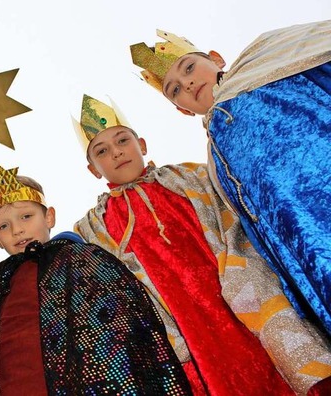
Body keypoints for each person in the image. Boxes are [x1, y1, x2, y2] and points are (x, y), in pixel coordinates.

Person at [73, 94, 331, 395]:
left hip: (235, 292)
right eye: (102, 151)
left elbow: (234, 220)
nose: (116, 153)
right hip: (182, 326)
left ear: (141, 145)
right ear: (93, 169)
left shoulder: (191, 176)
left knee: (279, 364)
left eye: (122, 141)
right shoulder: (93, 226)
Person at [130, 25, 331, 336]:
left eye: (189, 67)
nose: (188, 83)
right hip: (309, 246)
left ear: (216, 58)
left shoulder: (271, 58)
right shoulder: (215, 162)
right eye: (175, 89)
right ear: (182, 110)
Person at [0, 164, 191, 395]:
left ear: (49, 217)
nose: (18, 230)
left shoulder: (77, 255)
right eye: (4, 226)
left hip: (83, 374)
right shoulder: (5, 282)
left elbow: (115, 317)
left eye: (26, 216)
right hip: (18, 380)